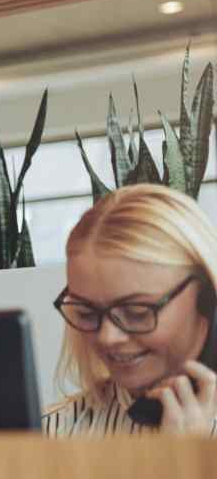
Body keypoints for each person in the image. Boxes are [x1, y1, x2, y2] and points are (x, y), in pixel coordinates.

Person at [45, 183, 217, 437]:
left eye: (137, 312)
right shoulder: (52, 434)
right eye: (86, 313)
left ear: (205, 301)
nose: (107, 338)